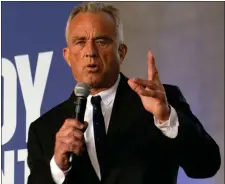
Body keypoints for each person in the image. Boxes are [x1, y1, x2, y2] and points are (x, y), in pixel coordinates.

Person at [27, 2, 221, 184]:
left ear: (121, 52)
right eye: (80, 42)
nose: (90, 52)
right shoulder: (44, 129)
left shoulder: (159, 103)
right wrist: (58, 168)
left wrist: (166, 118)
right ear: (68, 56)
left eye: (101, 41)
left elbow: (206, 166)